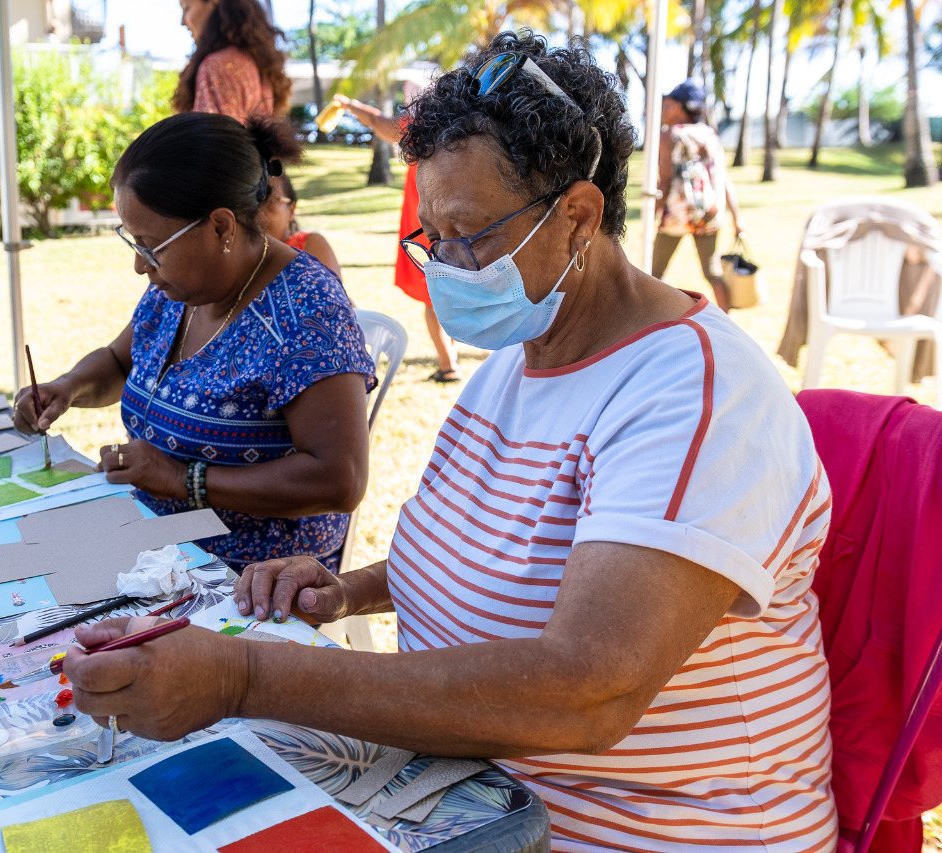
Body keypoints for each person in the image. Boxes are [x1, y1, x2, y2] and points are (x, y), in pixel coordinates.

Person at [65, 32, 837, 852]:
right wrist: (351, 588)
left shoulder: (695, 394)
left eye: (468, 233)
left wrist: (244, 675)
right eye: (431, 235)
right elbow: (490, 554)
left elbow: (587, 691)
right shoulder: (520, 362)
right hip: (468, 795)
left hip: (632, 831)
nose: (447, 266)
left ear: (578, 215)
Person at [14, 113, 376, 572]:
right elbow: (119, 361)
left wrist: (184, 480)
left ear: (222, 228)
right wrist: (66, 388)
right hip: (155, 543)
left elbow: (339, 480)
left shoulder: (306, 308)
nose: (141, 267)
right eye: (135, 245)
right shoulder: (182, 287)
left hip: (250, 575)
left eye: (151, 247)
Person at [333, 93, 462, 383]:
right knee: (445, 295)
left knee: (434, 299)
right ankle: (449, 361)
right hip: (455, 221)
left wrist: (350, 105)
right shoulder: (461, 127)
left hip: (428, 224)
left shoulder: (421, 125)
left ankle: (448, 365)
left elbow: (380, 122)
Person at [654, 80, 745, 312]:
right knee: (712, 271)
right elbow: (723, 178)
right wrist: (737, 217)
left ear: (677, 107)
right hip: (709, 212)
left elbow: (664, 180)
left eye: (667, 104)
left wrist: (653, 211)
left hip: (678, 212)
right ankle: (727, 321)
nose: (663, 108)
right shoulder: (710, 134)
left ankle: (653, 321)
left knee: (655, 272)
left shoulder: (670, 135)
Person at [174, 0, 291, 124]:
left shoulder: (217, 65)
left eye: (186, 8)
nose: (182, 22)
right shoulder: (255, 63)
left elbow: (214, 140)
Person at [256, 173, 341, 278]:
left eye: (270, 201)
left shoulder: (310, 244)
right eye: (253, 203)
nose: (259, 213)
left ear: (291, 210)